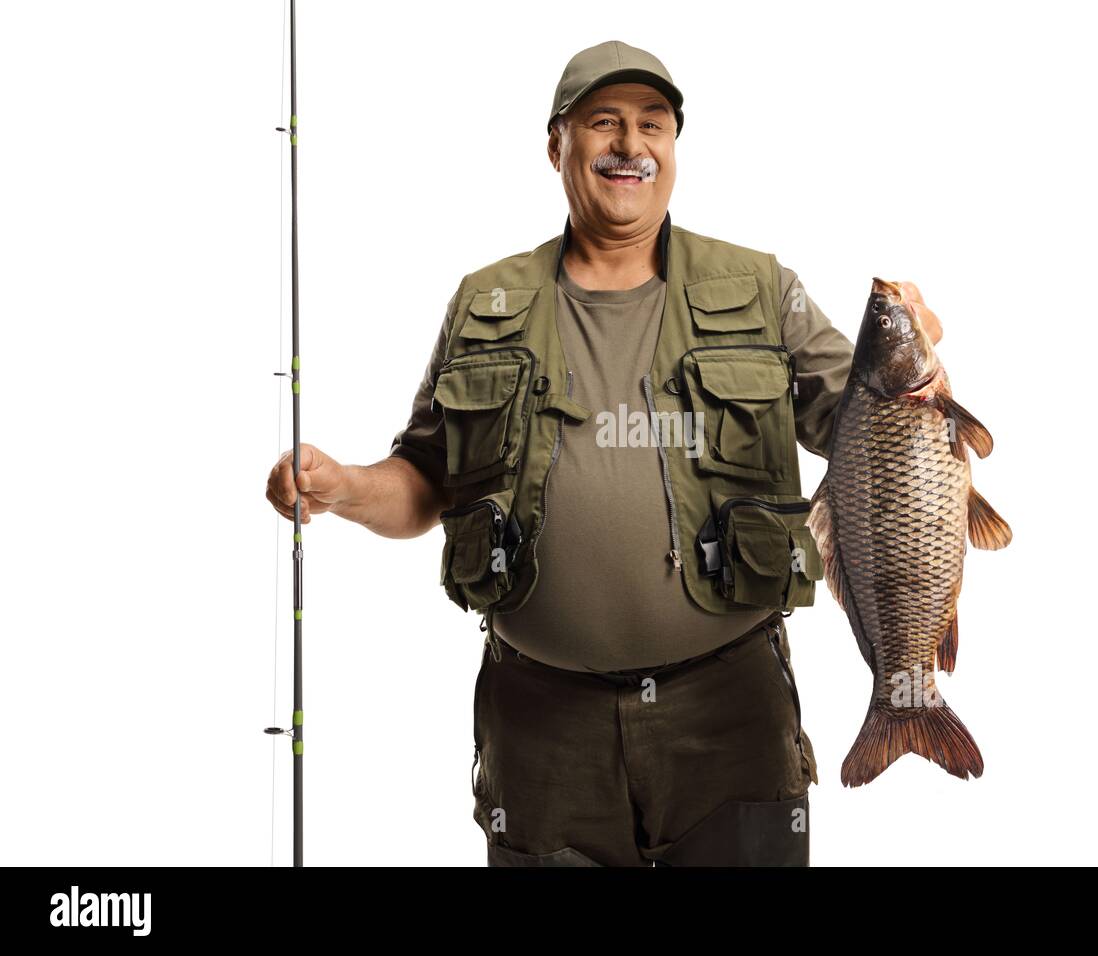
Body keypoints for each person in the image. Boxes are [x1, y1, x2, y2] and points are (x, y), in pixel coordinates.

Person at [265, 40, 942, 866]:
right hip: (542, 728)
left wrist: (914, 353)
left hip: (731, 716)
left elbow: (867, 429)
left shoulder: (764, 289)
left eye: (652, 125)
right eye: (604, 123)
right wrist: (341, 488)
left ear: (673, 148)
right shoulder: (486, 303)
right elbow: (425, 482)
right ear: (558, 145)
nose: (631, 145)